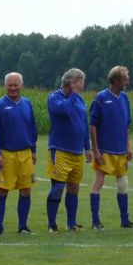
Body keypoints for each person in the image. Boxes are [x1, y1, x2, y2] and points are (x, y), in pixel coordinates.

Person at [89, 66, 133, 229]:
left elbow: (126, 125)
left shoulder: (125, 98)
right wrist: (96, 150)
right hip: (105, 150)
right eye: (125, 79)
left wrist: (128, 147)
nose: (127, 82)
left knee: (123, 184)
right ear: (116, 80)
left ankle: (125, 221)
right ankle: (96, 222)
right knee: (98, 182)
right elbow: (93, 126)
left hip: (121, 151)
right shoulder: (101, 98)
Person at [0, 72, 38, 235]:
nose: (13, 88)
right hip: (6, 154)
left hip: (25, 154)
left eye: (16, 85)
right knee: (2, 190)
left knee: (26, 190)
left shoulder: (27, 104)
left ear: (21, 85)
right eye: (10, 85)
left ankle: (22, 226)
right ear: (5, 86)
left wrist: (33, 150)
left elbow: (32, 128)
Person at [47, 68, 90, 232]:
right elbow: (65, 110)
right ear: (72, 82)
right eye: (81, 82)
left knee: (74, 187)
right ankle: (52, 224)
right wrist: (74, 94)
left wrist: (87, 148)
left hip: (77, 151)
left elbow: (84, 124)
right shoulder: (54, 97)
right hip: (60, 150)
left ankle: (71, 223)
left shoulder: (79, 100)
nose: (83, 85)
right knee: (58, 187)